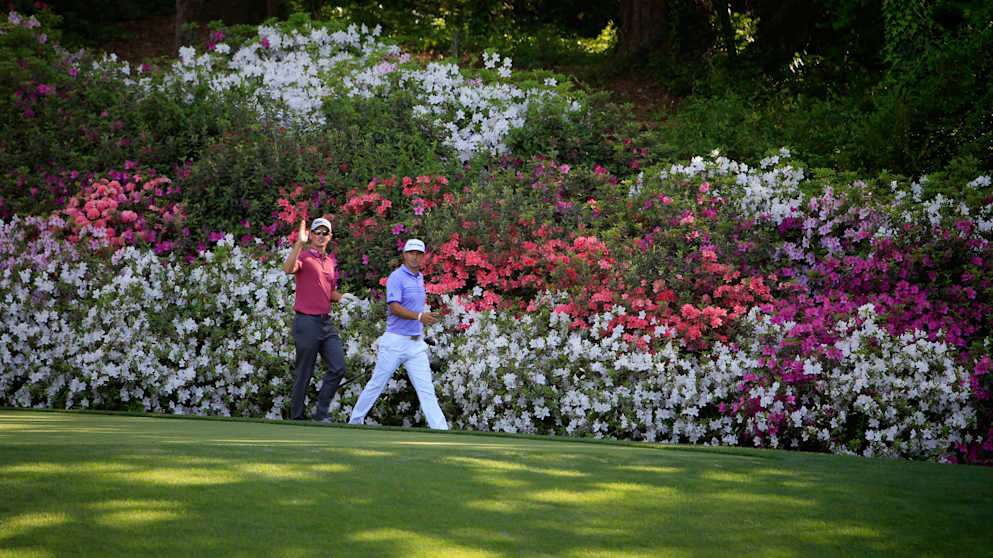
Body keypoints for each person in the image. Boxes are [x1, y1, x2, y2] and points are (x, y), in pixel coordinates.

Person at [349, 238, 449, 430]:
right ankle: (354, 422)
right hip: (395, 341)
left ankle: (441, 430)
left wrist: (421, 319)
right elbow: (394, 308)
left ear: (422, 257)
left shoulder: (419, 277)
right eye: (411, 253)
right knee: (377, 384)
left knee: (427, 389)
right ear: (404, 255)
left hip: (416, 344)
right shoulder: (396, 277)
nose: (415, 257)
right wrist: (420, 317)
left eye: (419, 254)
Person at [283, 217, 357, 422]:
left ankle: (320, 415)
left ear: (329, 237)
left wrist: (342, 298)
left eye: (325, 233)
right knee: (304, 372)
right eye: (317, 232)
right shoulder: (304, 257)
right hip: (306, 321)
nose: (321, 236)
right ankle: (297, 419)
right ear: (312, 235)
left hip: (325, 322)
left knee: (338, 366)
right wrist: (299, 244)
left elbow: (328, 292)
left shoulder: (329, 262)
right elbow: (288, 269)